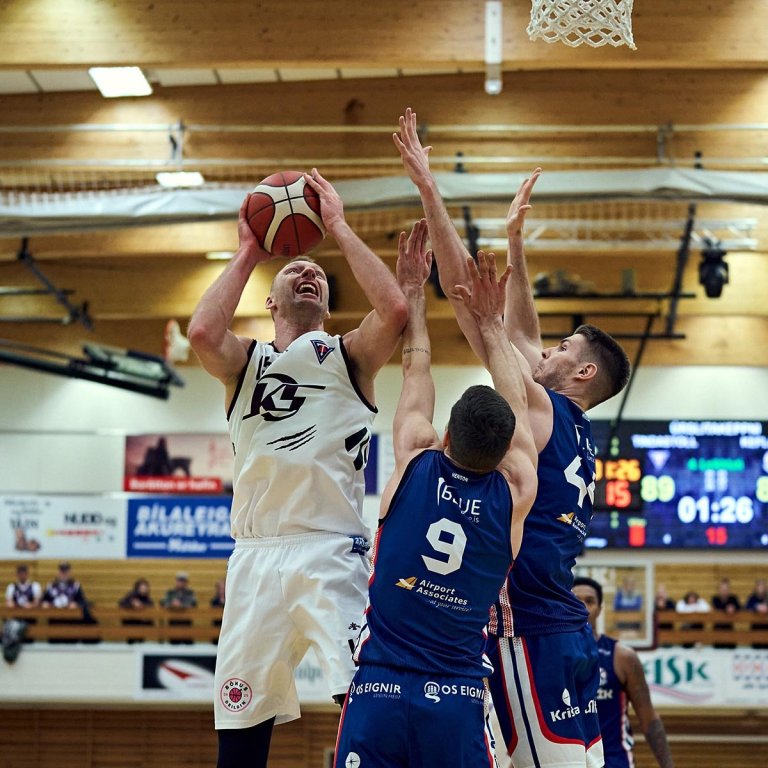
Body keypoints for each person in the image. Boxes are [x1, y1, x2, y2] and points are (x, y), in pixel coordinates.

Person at [394, 107, 631, 768]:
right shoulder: (570, 426)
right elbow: (519, 332)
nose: (542, 347)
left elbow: (472, 297)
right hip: (563, 631)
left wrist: (428, 188)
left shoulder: (543, 408)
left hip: (526, 630)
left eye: (561, 345)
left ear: (580, 371)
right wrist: (517, 244)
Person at [187, 168, 408, 768]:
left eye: (317, 273)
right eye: (296, 270)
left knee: (368, 701)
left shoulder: (348, 356)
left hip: (329, 551)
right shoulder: (245, 363)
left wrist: (335, 226)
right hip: (255, 557)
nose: (308, 271)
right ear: (270, 298)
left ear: (328, 303)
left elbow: (393, 308)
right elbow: (203, 331)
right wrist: (248, 251)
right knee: (240, 723)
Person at [335, 234, 538, 767]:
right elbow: (515, 399)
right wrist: (492, 327)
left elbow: (415, 370)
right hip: (457, 697)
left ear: (445, 435)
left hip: (378, 686)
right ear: (504, 451)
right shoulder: (516, 489)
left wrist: (415, 298)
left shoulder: (414, 459)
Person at [573, 577, 675, 768]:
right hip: (570, 761)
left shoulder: (622, 656)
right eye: (576, 600)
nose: (583, 607)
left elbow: (649, 718)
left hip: (614, 761)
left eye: (590, 601)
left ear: (600, 609)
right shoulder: (550, 657)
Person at [711, 577, 740, 647]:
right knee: (718, 648)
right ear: (719, 589)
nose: (724, 591)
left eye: (726, 589)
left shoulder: (733, 598)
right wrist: (726, 609)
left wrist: (734, 608)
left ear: (729, 589)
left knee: (731, 647)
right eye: (722, 589)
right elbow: (717, 607)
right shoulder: (715, 598)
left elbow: (740, 608)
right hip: (718, 627)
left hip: (729, 627)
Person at [745, 578, 768, 648]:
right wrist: (756, 607)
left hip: (766, 627)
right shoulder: (752, 598)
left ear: (765, 588)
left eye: (762, 586)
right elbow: (746, 607)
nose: (761, 589)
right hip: (755, 627)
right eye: (759, 586)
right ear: (756, 588)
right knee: (756, 648)